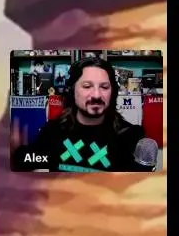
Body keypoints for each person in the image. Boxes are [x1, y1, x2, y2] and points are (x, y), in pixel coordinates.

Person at [11, 55, 155, 172]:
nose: (97, 95)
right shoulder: (52, 131)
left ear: (113, 93)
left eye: (104, 87)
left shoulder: (130, 136)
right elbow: (28, 162)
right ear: (72, 91)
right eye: (87, 86)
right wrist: (15, 156)